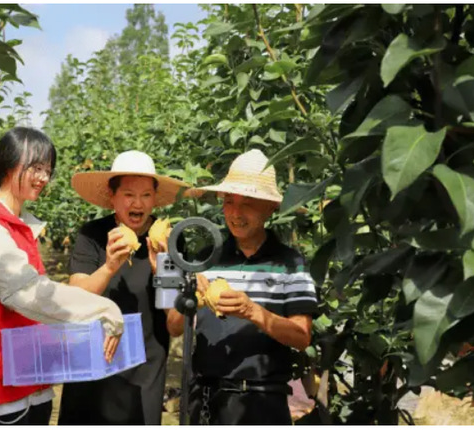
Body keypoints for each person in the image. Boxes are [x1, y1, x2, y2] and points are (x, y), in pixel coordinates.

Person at [0, 127, 124, 425]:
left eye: (48, 170)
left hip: (29, 381)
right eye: (35, 167)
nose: (43, 177)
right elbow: (27, 292)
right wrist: (103, 309)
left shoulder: (18, 226)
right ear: (8, 164)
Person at [168, 149, 319, 425]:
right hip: (206, 399)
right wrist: (189, 296)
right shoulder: (205, 258)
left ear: (270, 207)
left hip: (263, 402)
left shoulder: (289, 263)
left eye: (248, 203)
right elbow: (174, 327)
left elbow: (302, 337)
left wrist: (252, 311)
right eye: (229, 202)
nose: (236, 213)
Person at [57, 150, 189, 425]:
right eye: (128, 194)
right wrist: (109, 266)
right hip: (92, 368)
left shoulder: (169, 242)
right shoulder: (93, 235)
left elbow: (176, 326)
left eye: (146, 195)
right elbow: (74, 300)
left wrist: (162, 272)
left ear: (155, 198)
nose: (137, 203)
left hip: (144, 373)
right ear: (112, 196)